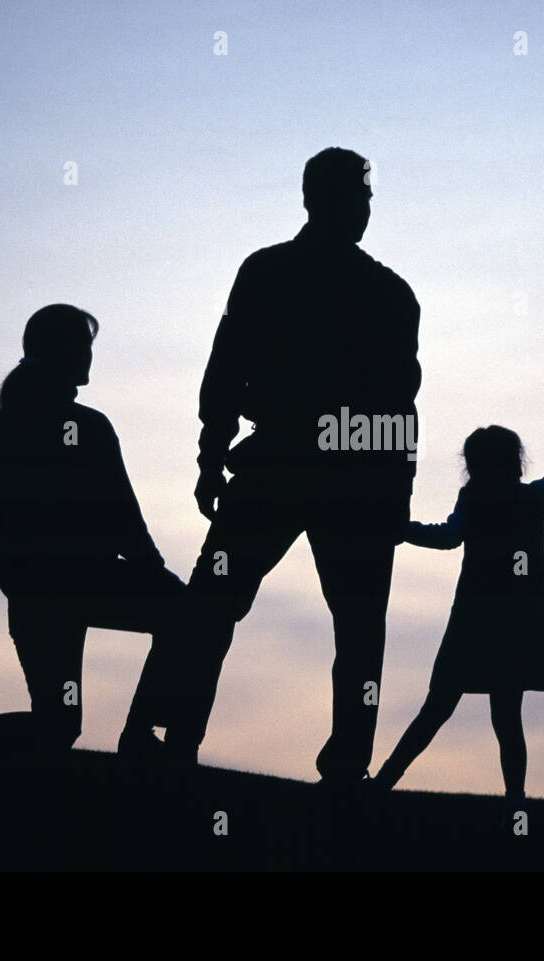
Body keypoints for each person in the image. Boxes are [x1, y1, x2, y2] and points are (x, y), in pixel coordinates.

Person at [162, 147, 421, 786]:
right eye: (353, 198)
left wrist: (212, 451)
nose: (361, 210)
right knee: (345, 627)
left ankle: (180, 741)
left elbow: (228, 370)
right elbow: (397, 407)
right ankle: (338, 764)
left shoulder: (281, 273)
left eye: (364, 198)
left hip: (298, 469)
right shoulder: (380, 292)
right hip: (329, 473)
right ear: (316, 200)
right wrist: (211, 448)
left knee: (226, 605)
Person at [371, 426, 544, 826]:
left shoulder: (477, 499)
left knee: (438, 707)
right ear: (514, 460)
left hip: (475, 617)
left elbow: (449, 537)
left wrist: (403, 530)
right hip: (516, 621)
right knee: (505, 715)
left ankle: (383, 784)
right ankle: (515, 801)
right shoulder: (531, 499)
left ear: (474, 464)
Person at [0, 304, 184, 757]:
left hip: (49, 593)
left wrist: (19, 587)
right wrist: (153, 570)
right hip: (76, 587)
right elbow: (123, 514)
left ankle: (139, 734)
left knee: (59, 725)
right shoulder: (86, 427)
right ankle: (140, 733)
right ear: (61, 352)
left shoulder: (10, 426)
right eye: (83, 347)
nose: (89, 357)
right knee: (60, 726)